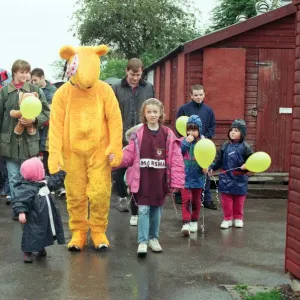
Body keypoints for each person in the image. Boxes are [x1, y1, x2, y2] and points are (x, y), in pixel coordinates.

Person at [109, 98, 185, 257]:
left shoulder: (167, 133)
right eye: (149, 112)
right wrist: (117, 160)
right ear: (144, 113)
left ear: (160, 114)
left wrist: (176, 180)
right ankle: (142, 241)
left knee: (156, 210)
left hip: (160, 179)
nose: (152, 115)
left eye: (155, 112)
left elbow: (176, 158)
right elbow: (129, 155)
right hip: (142, 178)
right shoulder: (138, 133)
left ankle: (153, 239)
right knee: (143, 210)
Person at [0, 60, 50, 211]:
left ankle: (29, 205)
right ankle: (19, 208)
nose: (25, 75)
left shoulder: (35, 90)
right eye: (22, 72)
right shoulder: (4, 92)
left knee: (29, 178)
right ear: (14, 72)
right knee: (14, 177)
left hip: (30, 143)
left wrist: (34, 120)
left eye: (27, 72)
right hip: (9, 143)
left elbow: (46, 112)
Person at [111, 58, 155, 220]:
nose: (135, 78)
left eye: (138, 75)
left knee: (142, 168)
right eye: (132, 74)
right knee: (119, 166)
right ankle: (122, 197)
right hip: (121, 133)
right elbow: (110, 111)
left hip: (142, 134)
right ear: (126, 71)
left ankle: (139, 200)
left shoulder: (148, 87)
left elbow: (153, 108)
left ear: (142, 72)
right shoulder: (116, 87)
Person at [12, 157, 65, 263]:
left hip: (44, 215)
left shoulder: (45, 182)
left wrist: (61, 173)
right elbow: (20, 200)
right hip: (33, 217)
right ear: (35, 173)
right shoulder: (27, 187)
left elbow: (55, 182)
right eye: (42, 169)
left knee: (43, 231)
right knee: (31, 233)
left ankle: (41, 248)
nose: (44, 170)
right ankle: (27, 252)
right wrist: (21, 212)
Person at [176, 84, 217, 210]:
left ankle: (207, 199)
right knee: (186, 169)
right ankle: (180, 194)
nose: (198, 97)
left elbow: (212, 126)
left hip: (203, 146)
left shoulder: (208, 110)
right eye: (196, 95)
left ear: (204, 94)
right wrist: (186, 139)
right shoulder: (184, 109)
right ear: (191, 96)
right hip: (188, 145)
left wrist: (205, 138)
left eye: (200, 94)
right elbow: (179, 125)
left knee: (204, 170)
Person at [209, 119, 253, 229]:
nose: (232, 132)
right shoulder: (225, 146)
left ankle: (238, 218)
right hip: (226, 178)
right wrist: (212, 168)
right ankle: (227, 218)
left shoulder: (246, 147)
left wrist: (247, 166)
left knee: (239, 200)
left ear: (242, 133)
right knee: (226, 200)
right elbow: (219, 161)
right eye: (231, 130)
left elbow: (253, 161)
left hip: (240, 178)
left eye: (236, 130)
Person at [30, 68, 65, 196]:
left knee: (53, 157)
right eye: (32, 80)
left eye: (35, 80)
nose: (33, 82)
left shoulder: (53, 91)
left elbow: (52, 109)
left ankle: (58, 185)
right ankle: (48, 184)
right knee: (44, 158)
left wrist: (41, 112)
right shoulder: (34, 90)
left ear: (42, 77)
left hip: (51, 130)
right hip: (40, 128)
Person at [180, 115, 207, 236]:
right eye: (189, 129)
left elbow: (210, 157)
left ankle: (194, 221)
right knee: (186, 200)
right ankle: (185, 223)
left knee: (196, 201)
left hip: (198, 176)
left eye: (194, 130)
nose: (191, 132)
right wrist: (186, 142)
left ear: (199, 130)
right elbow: (178, 152)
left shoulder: (204, 143)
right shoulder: (183, 141)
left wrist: (207, 166)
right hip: (184, 177)